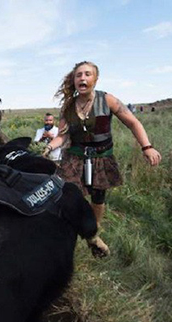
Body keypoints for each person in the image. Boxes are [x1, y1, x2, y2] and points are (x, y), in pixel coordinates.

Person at [44, 61, 161, 257]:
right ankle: (68, 232)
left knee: (98, 197)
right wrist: (48, 147)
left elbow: (133, 122)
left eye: (87, 74)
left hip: (101, 157)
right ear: (74, 80)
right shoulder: (68, 106)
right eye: (79, 75)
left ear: (95, 79)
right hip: (74, 157)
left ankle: (93, 234)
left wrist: (147, 147)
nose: (83, 78)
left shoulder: (107, 100)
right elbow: (63, 135)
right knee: (69, 194)